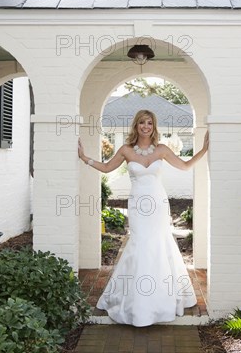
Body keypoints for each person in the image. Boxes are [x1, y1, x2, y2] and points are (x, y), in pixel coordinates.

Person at [77, 109, 209, 327]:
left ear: (153, 126)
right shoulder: (126, 150)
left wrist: (204, 149)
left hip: (157, 204)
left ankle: (160, 297)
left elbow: (185, 166)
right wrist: (84, 158)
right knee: (140, 245)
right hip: (138, 205)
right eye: (141, 123)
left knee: (159, 244)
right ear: (136, 126)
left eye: (149, 123)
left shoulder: (162, 149)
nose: (145, 126)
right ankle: (134, 300)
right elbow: (107, 168)